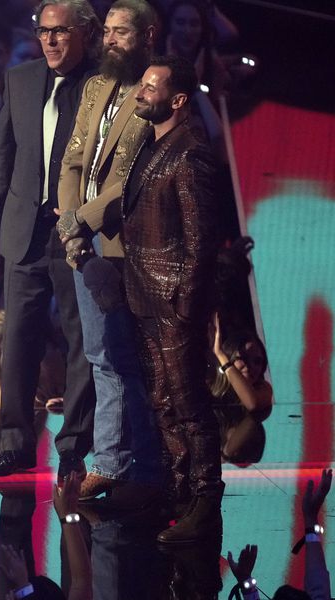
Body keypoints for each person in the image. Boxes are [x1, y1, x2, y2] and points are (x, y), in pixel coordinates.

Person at [0, 0, 100, 480]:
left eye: (60, 32)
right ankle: (16, 443)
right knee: (18, 339)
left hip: (76, 231)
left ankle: (73, 445)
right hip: (23, 229)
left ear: (84, 33)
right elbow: (2, 154)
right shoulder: (20, 79)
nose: (49, 40)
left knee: (80, 338)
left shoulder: (101, 83)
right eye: (43, 31)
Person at [54, 0, 161, 500]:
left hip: (127, 239)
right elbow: (73, 160)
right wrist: (73, 228)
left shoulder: (156, 92)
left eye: (122, 32)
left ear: (147, 36)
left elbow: (132, 178)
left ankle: (137, 462)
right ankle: (116, 461)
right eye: (109, 31)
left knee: (125, 354)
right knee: (100, 353)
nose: (112, 40)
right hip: (83, 238)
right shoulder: (96, 87)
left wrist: (84, 221)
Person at [121, 54, 222, 543]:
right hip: (145, 296)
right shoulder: (149, 144)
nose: (140, 93)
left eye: (149, 87)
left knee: (189, 404)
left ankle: (206, 500)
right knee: (161, 402)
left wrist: (187, 304)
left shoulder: (192, 152)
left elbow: (202, 239)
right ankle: (178, 493)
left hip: (175, 300)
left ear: (177, 99)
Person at [210, 321, 273, 465]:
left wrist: (221, 356)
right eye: (242, 358)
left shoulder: (263, 389)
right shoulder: (213, 390)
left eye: (257, 361)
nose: (250, 366)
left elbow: (253, 405)